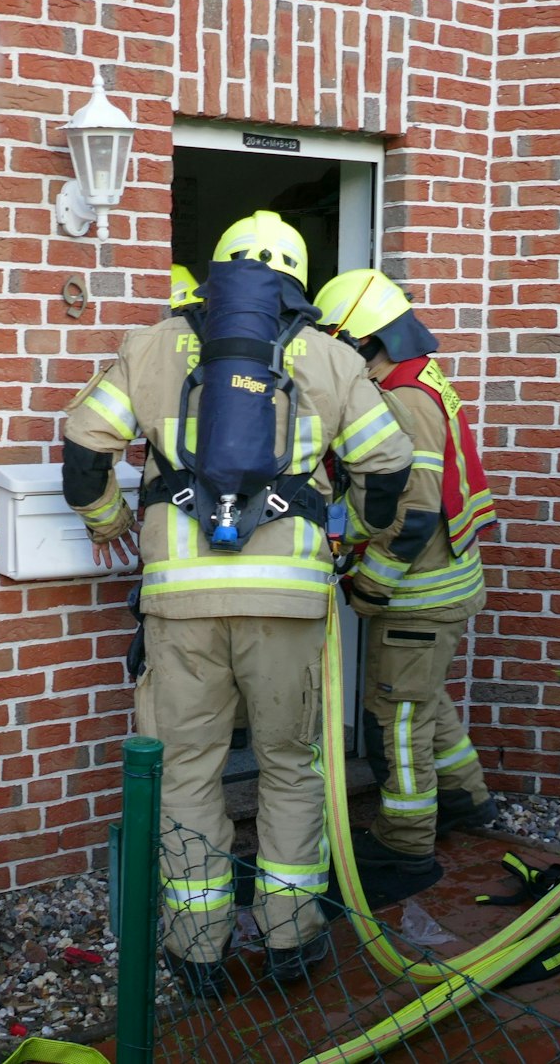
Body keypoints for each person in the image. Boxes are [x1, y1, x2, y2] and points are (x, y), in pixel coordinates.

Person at [61, 213, 413, 995]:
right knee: (292, 766)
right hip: (288, 606)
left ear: (218, 274)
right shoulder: (328, 355)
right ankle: (291, 939)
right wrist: (354, 534)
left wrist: (111, 522)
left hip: (179, 607)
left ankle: (197, 950)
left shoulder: (152, 345)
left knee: (186, 770)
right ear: (296, 278)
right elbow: (388, 465)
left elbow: (85, 446)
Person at [314, 268, 500, 905]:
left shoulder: (398, 396)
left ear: (367, 341)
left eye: (343, 346)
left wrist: (369, 585)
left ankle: (406, 837)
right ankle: (465, 798)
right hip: (448, 583)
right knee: (424, 700)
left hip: (418, 591)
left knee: (396, 716)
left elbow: (414, 513)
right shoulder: (420, 375)